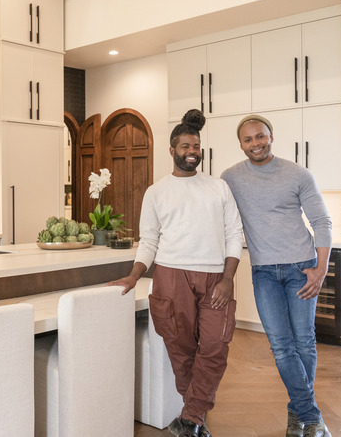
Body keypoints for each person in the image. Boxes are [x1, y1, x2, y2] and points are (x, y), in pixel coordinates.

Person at [109, 109, 243, 437]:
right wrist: (134, 274)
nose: (192, 152)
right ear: (172, 151)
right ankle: (195, 418)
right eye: (185, 147)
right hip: (170, 276)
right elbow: (149, 240)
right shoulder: (156, 192)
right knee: (180, 348)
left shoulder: (219, 188)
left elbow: (235, 234)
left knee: (214, 346)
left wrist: (228, 278)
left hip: (214, 277)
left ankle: (191, 417)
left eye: (195, 147)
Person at [220, 114, 333, 437]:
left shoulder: (297, 173)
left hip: (302, 267)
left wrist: (320, 270)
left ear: (271, 136)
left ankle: (300, 416)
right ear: (241, 144)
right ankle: (310, 416)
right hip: (264, 271)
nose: (255, 143)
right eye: (248, 139)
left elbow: (322, 222)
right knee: (282, 346)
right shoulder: (230, 179)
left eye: (260, 136)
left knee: (304, 343)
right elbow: (217, 216)